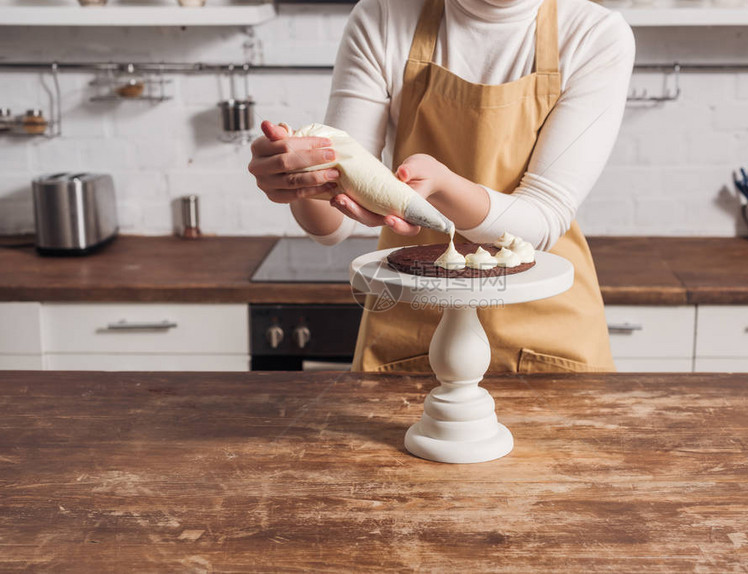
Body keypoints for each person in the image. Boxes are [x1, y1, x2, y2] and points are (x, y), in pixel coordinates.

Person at [248, 0, 635, 373]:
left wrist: (444, 187)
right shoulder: (382, 17)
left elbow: (543, 219)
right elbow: (335, 222)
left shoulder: (594, 35)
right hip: (414, 324)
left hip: (546, 328)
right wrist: (300, 177)